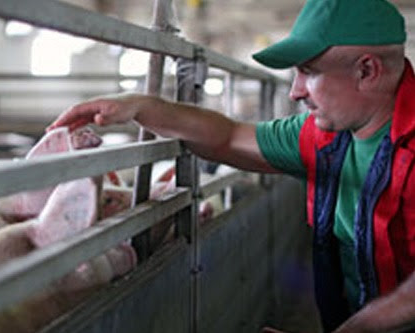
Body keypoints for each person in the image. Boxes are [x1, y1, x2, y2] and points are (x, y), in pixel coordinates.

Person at [48, 0, 415, 331]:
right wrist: (138, 106)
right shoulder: (327, 138)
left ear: (366, 71)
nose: (295, 91)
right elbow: (226, 136)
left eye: (309, 71)